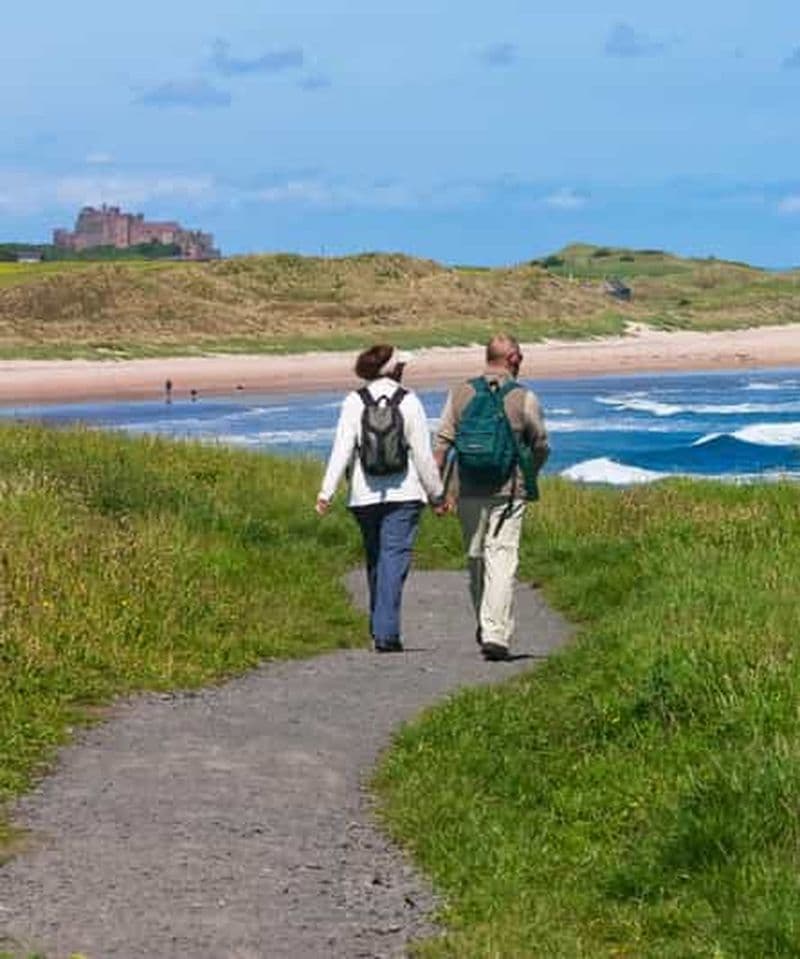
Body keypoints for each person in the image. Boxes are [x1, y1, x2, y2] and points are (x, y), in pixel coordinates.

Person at [316, 344, 447, 652]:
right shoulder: (409, 400)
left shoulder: (354, 401)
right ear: (395, 369)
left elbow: (342, 449)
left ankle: (379, 628)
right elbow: (423, 455)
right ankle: (386, 633)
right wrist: (437, 494)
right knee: (393, 560)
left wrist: (326, 492)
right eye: (402, 365)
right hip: (405, 493)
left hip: (363, 495)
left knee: (377, 560)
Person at [434, 334, 549, 661]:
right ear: (512, 358)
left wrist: (438, 492)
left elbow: (441, 445)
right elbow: (541, 444)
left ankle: (486, 626)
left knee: (476, 559)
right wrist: (529, 474)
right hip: (509, 491)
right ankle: (495, 633)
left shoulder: (459, 393)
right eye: (521, 355)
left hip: (468, 489)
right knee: (502, 558)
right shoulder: (524, 397)